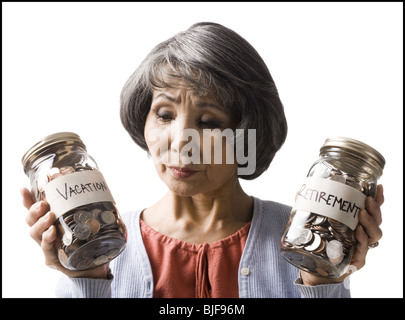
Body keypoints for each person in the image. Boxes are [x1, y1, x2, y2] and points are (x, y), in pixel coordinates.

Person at [21, 22, 384, 298]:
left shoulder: (303, 239)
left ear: (247, 132)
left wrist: (322, 282)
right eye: (164, 115)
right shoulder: (101, 245)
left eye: (208, 122)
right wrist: (87, 280)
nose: (181, 142)